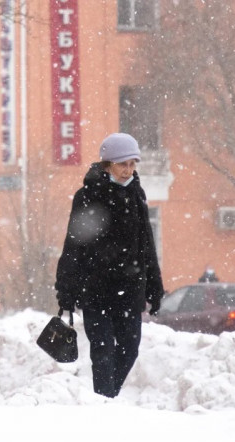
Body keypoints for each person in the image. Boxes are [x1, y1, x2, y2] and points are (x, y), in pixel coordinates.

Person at [55, 132, 165, 398]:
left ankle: (107, 397)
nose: (128, 170)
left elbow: (146, 243)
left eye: (132, 164)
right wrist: (66, 291)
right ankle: (104, 402)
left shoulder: (137, 194)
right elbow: (74, 245)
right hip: (96, 289)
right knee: (102, 349)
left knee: (130, 347)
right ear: (107, 165)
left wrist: (154, 285)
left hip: (130, 289)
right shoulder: (87, 196)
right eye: (122, 164)